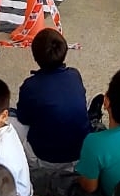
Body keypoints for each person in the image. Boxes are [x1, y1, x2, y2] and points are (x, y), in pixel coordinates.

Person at [13, 27, 91, 169]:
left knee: (8, 118)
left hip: (43, 158)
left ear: (35, 57)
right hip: (80, 155)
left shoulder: (30, 85)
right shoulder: (75, 74)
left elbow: (24, 119)